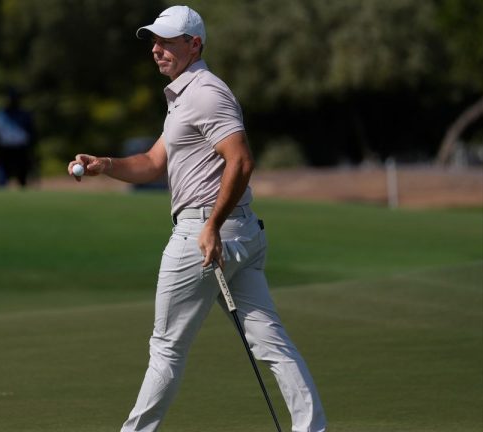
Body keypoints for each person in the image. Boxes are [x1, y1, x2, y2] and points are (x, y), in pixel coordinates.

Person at [67, 6, 326, 432]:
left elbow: (241, 162)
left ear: (194, 44)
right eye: (154, 42)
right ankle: (311, 428)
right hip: (236, 233)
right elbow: (153, 163)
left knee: (167, 349)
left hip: (206, 234)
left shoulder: (206, 93)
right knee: (271, 341)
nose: (156, 50)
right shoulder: (184, 98)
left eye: (167, 42)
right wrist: (105, 164)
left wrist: (209, 227)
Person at [0, 88, 36, 188]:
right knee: (2, 178)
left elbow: (32, 132)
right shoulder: (0, 115)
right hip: (4, 149)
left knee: (22, 178)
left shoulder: (24, 114)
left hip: (20, 149)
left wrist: (32, 148)